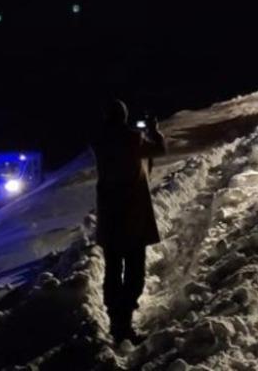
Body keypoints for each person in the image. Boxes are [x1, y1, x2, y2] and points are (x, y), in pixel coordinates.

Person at [90, 98, 167, 344]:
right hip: (133, 218)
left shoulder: (99, 142)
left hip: (110, 220)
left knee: (113, 272)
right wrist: (154, 132)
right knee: (134, 273)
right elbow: (159, 150)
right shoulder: (134, 139)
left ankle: (116, 322)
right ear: (124, 117)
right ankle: (125, 325)